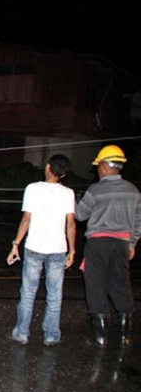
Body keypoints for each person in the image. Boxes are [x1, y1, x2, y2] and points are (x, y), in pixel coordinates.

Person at [75, 145, 141, 348]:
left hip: (98, 244)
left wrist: (76, 200)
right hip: (121, 244)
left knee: (96, 285)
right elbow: (138, 222)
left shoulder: (96, 189)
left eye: (98, 166)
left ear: (104, 166)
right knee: (121, 285)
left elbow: (80, 215)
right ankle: (124, 335)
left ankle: (100, 337)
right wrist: (132, 243)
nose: (97, 170)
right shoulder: (134, 191)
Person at [7, 154, 76, 346]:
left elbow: (26, 219)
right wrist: (72, 251)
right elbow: (71, 224)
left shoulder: (33, 189)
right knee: (55, 294)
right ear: (63, 174)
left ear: (47, 167)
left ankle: (21, 333)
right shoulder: (68, 193)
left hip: (34, 247)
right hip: (58, 249)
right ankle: (51, 335)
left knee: (28, 292)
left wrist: (15, 245)